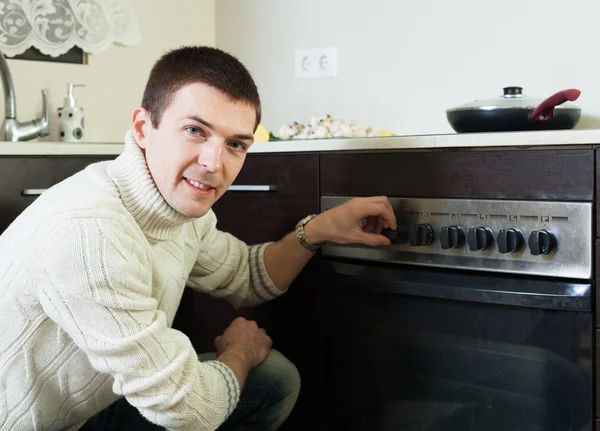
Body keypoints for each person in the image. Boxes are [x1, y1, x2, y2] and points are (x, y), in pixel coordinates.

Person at [0, 46, 396, 431]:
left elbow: (247, 274)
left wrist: (322, 228)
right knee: (235, 385)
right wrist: (238, 353)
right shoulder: (90, 234)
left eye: (235, 144)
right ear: (142, 128)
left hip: (85, 413)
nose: (213, 164)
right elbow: (190, 412)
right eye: (194, 130)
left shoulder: (176, 209)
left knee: (272, 378)